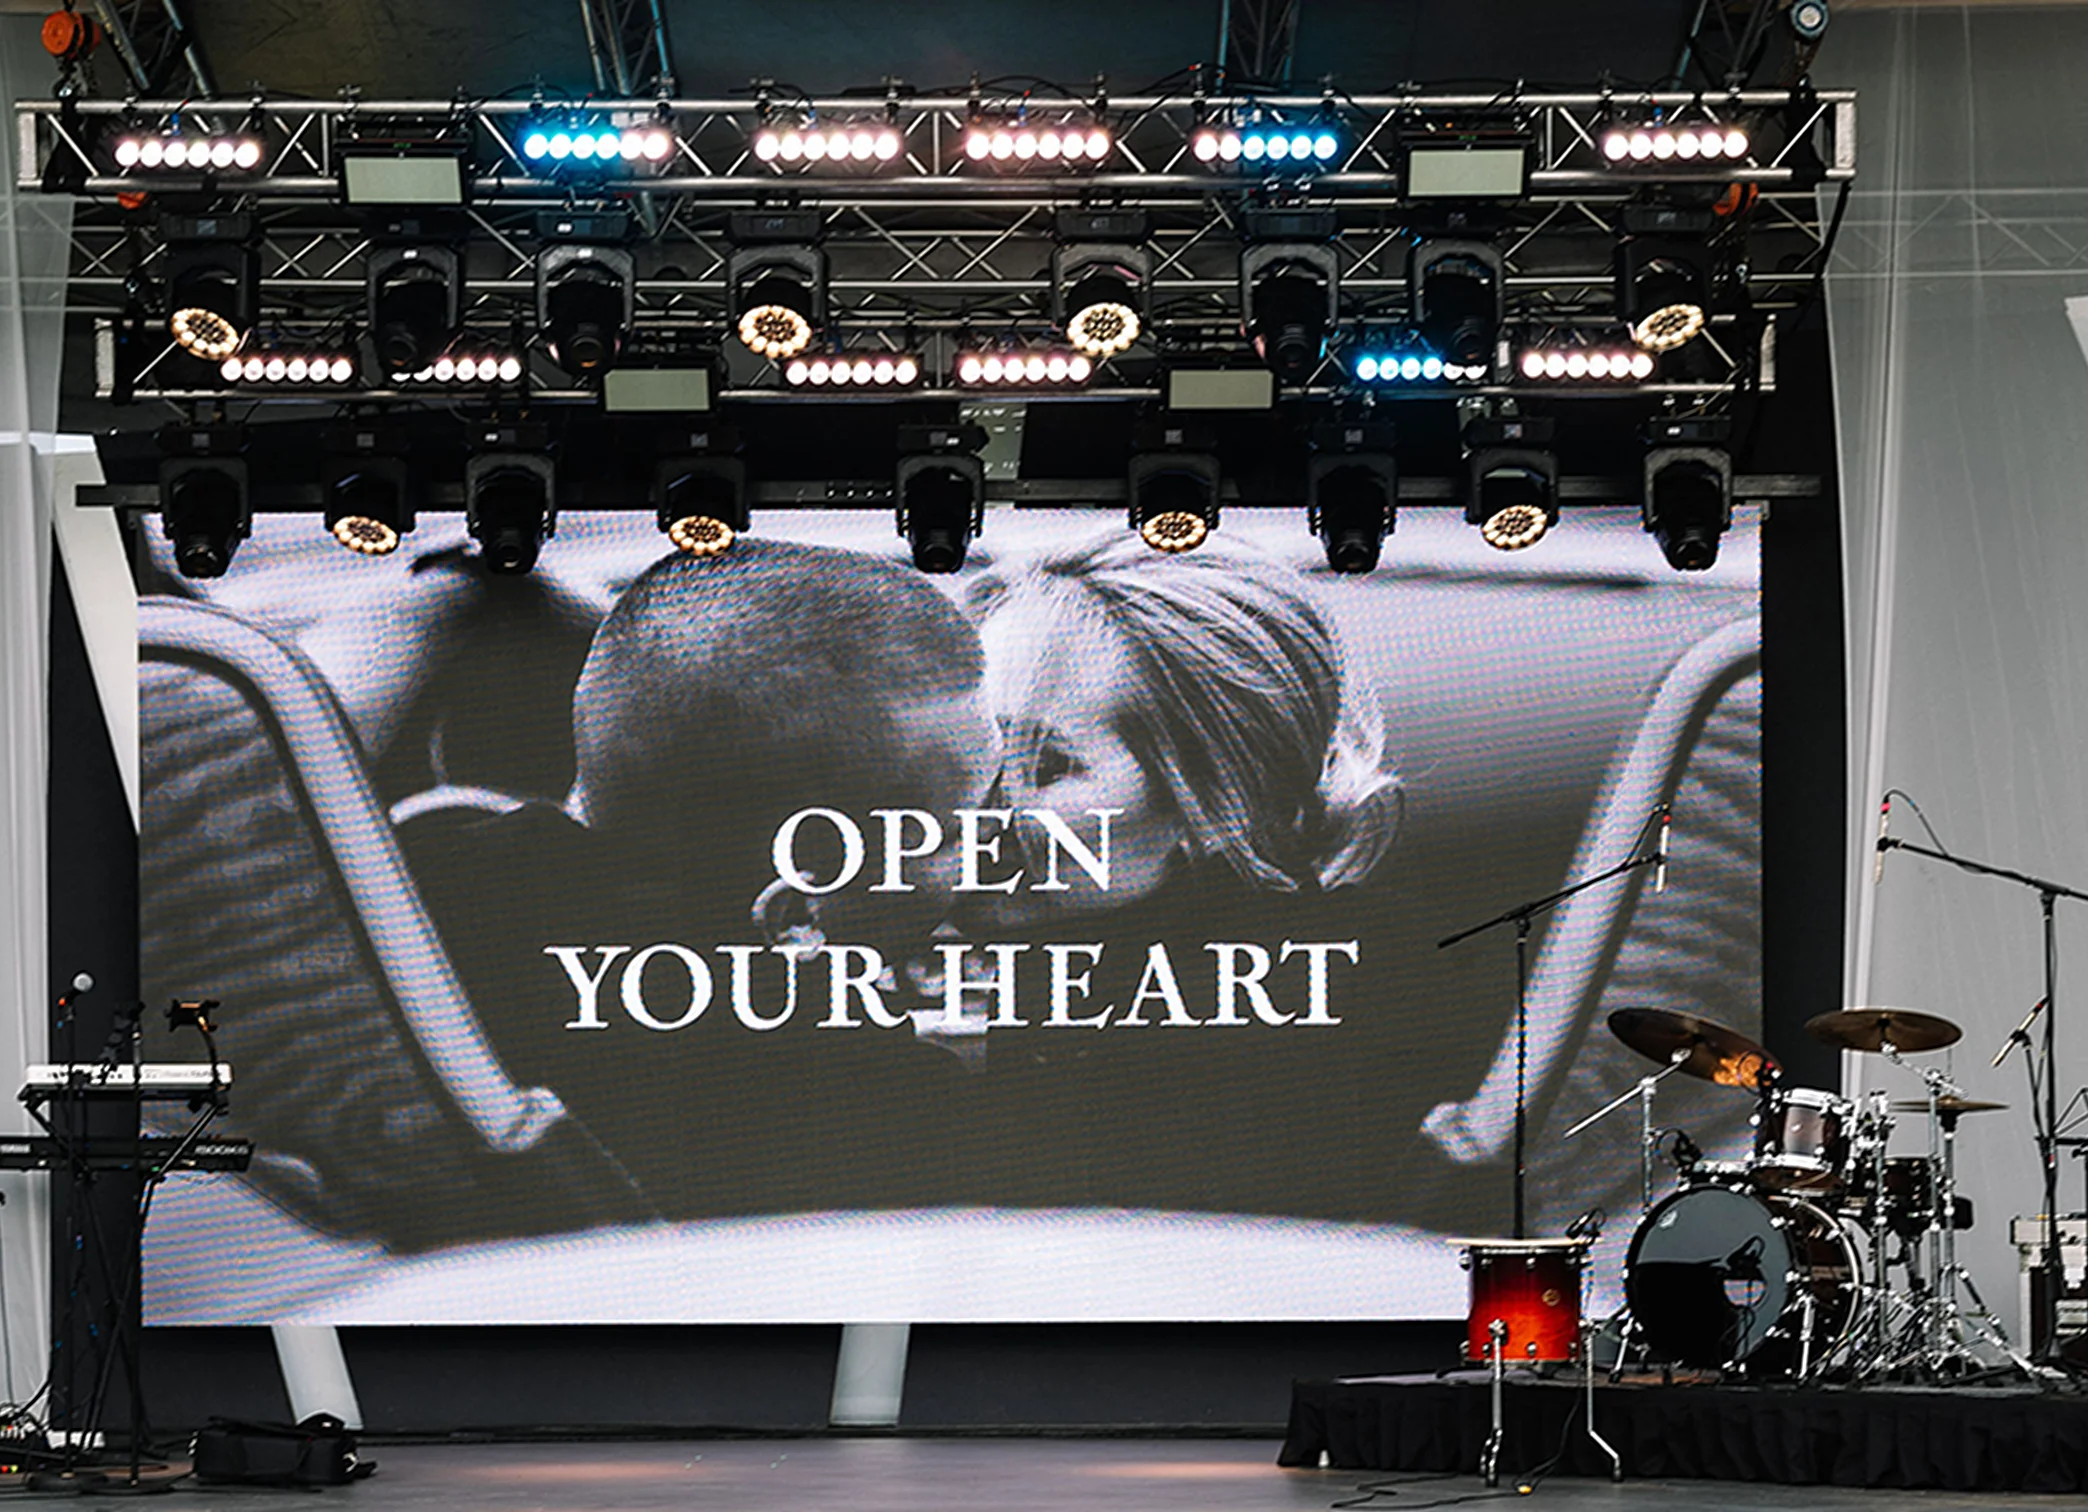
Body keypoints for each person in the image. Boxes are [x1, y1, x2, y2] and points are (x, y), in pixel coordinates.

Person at [401, 536, 1003, 1220]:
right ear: (797, 916)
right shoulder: (867, 1102)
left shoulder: (416, 884)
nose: (1001, 831)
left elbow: (672, 679)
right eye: (965, 823)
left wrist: (460, 593)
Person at [963, 528, 1401, 931]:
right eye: (964, 745)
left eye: (1043, 766)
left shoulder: (1370, 971)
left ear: (1222, 807)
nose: (966, 802)